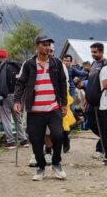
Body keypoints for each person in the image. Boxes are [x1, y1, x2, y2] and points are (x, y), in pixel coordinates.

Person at [14, 34, 68, 181]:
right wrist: (17, 100)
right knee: (36, 140)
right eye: (44, 45)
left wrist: (64, 104)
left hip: (53, 107)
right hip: (34, 110)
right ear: (36, 46)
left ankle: (56, 163)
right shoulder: (28, 64)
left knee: (58, 135)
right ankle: (41, 167)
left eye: (48, 45)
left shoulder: (56, 63)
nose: (47, 47)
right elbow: (20, 83)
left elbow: (63, 83)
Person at [0, 49, 27, 148]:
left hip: (5, 95)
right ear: (6, 56)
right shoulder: (15, 65)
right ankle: (23, 140)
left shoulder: (0, 67)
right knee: (17, 118)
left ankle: (11, 142)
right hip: (17, 95)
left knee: (6, 118)